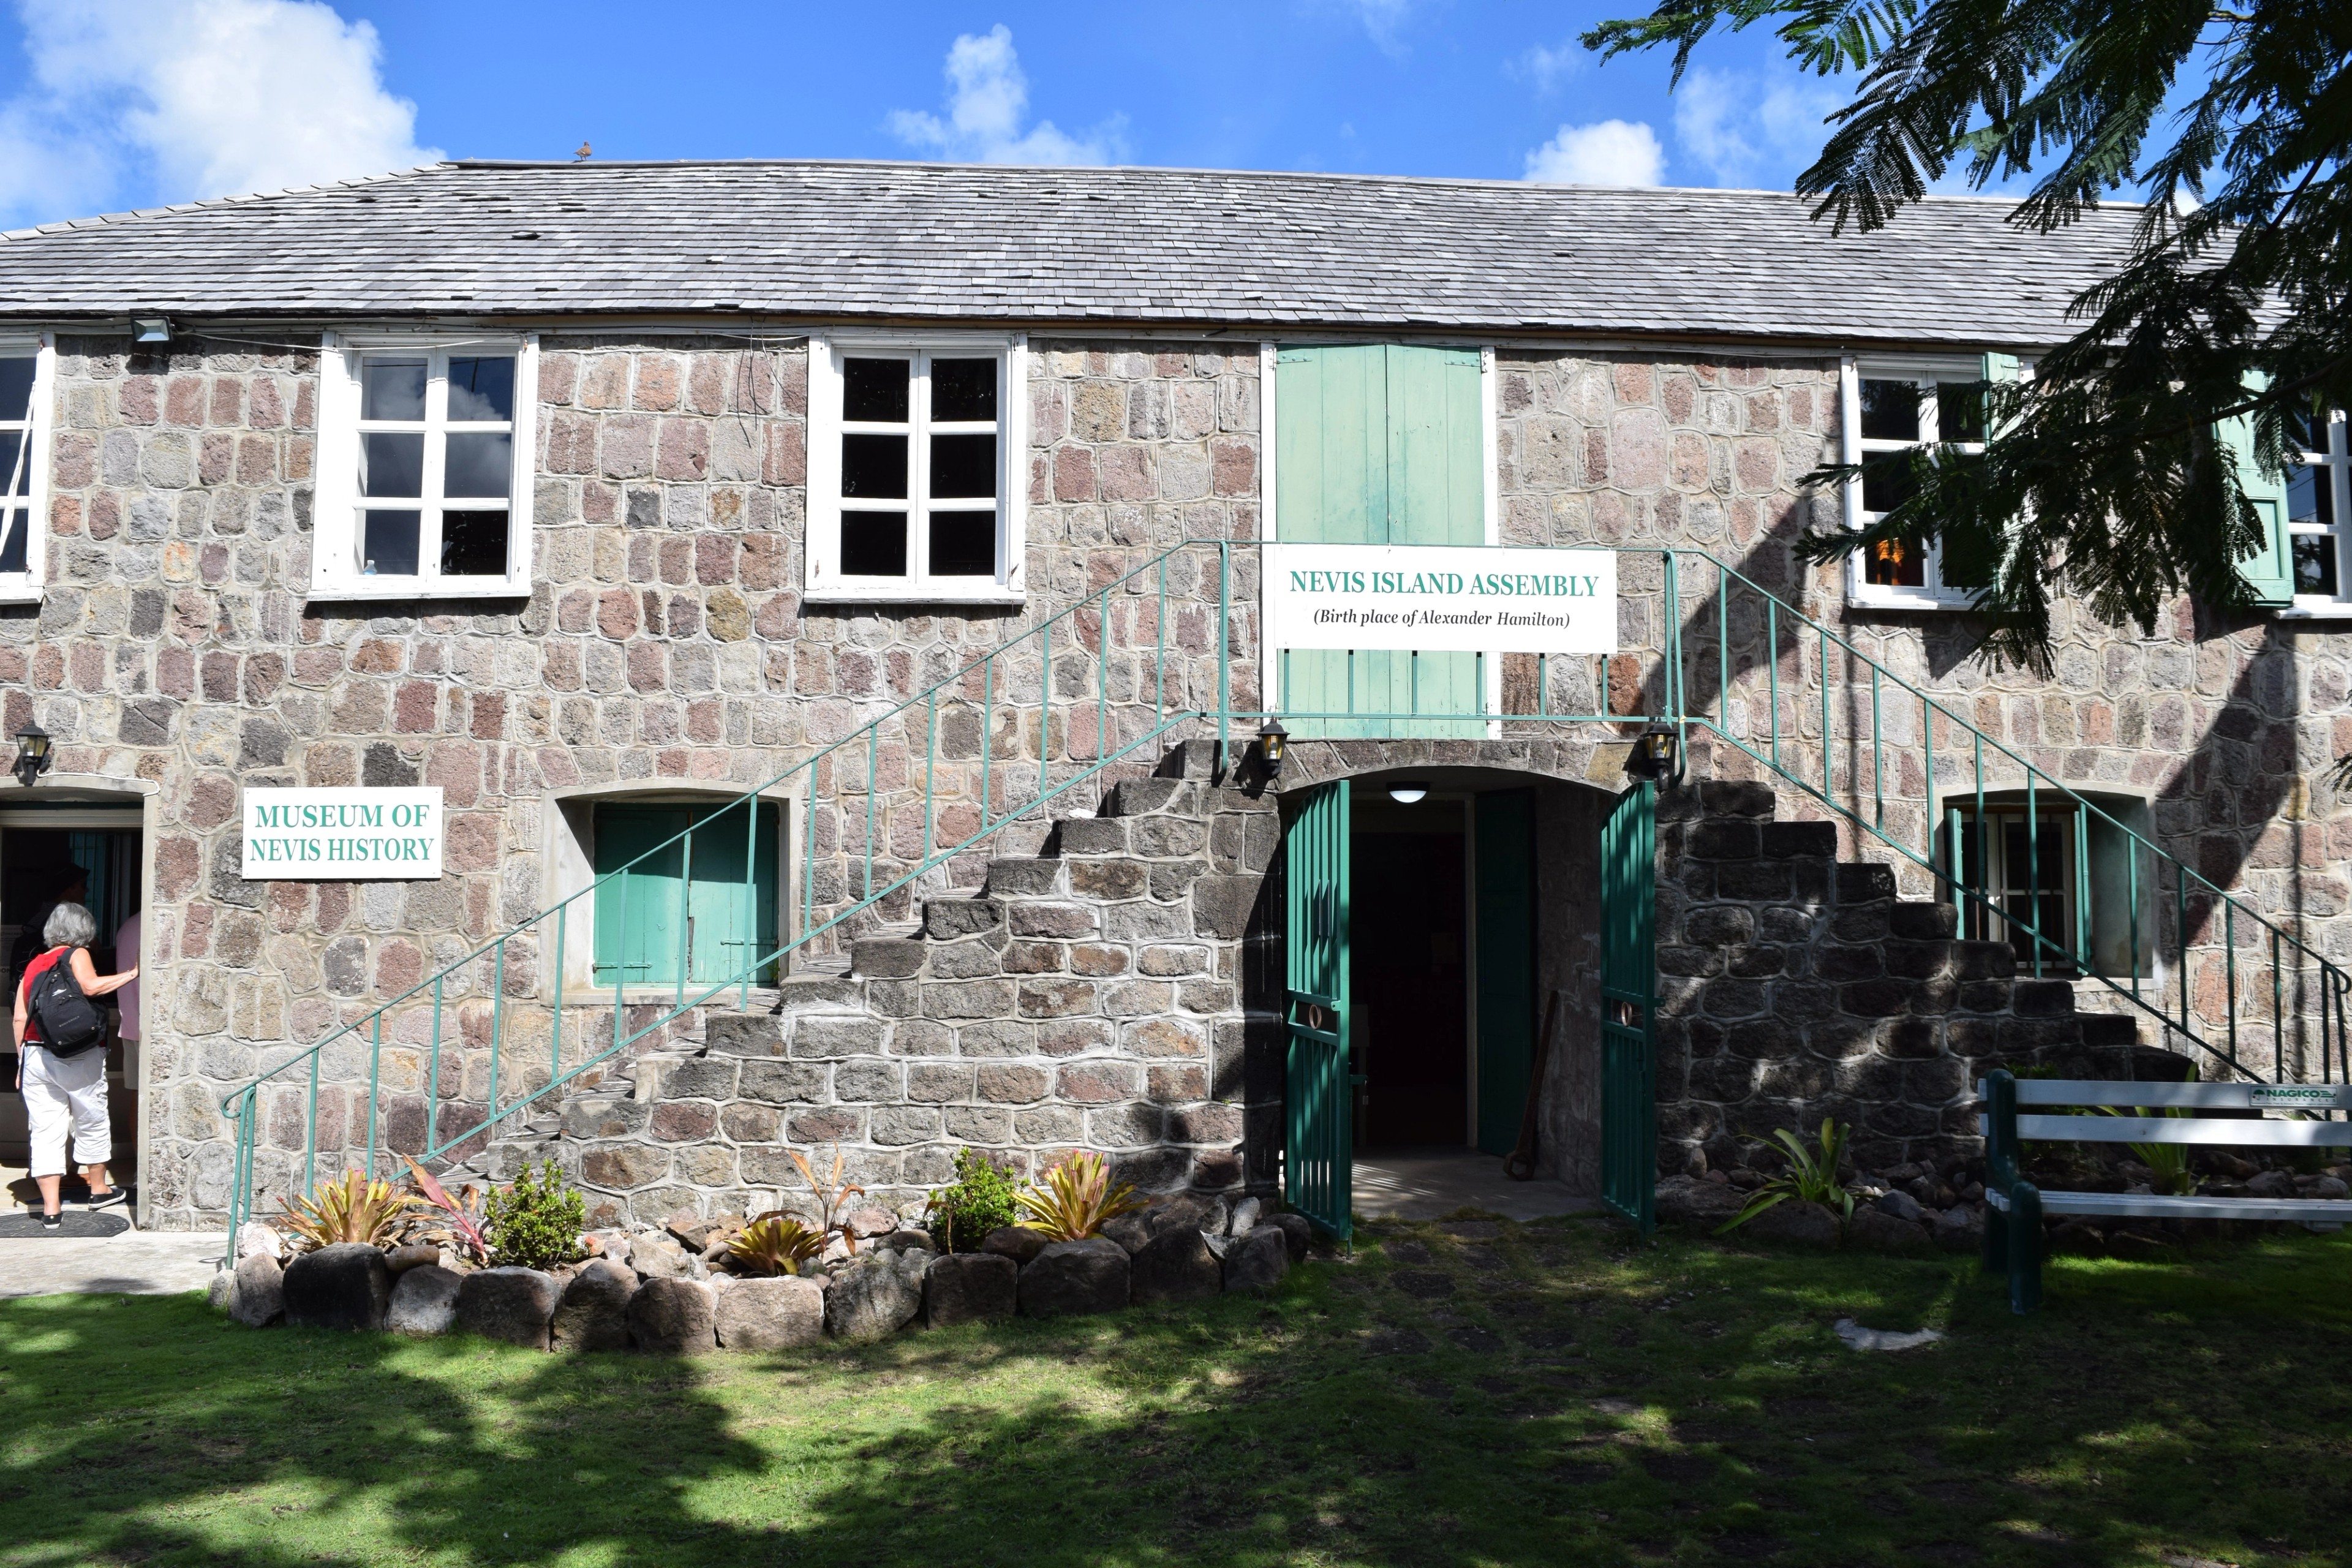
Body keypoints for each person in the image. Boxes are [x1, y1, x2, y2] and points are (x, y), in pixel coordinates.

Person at [12, 902, 137, 1231]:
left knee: (45, 1130)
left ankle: (51, 1210)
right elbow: (90, 987)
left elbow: (19, 1017)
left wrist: (21, 1062)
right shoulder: (77, 954)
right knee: (90, 1116)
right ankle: (98, 1189)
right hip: (78, 1053)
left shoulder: (34, 964)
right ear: (85, 930)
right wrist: (131, 974)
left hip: (37, 1054)